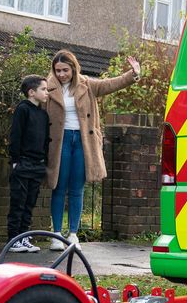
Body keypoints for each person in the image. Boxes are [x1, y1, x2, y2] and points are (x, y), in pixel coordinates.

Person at [44, 49, 140, 249]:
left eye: (65, 70)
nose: (61, 74)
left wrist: (132, 74)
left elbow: (110, 84)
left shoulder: (87, 85)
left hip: (82, 141)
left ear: (74, 68)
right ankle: (55, 235)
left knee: (77, 188)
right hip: (59, 142)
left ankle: (72, 235)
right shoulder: (49, 88)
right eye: (58, 70)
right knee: (58, 187)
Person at [6, 74, 50, 252]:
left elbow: (46, 140)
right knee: (18, 202)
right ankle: (13, 239)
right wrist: (16, 161)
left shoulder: (43, 114)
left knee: (29, 204)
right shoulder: (23, 110)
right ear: (32, 92)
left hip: (37, 165)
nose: (47, 93)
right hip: (23, 164)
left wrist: (44, 161)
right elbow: (15, 136)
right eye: (44, 89)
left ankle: (24, 237)